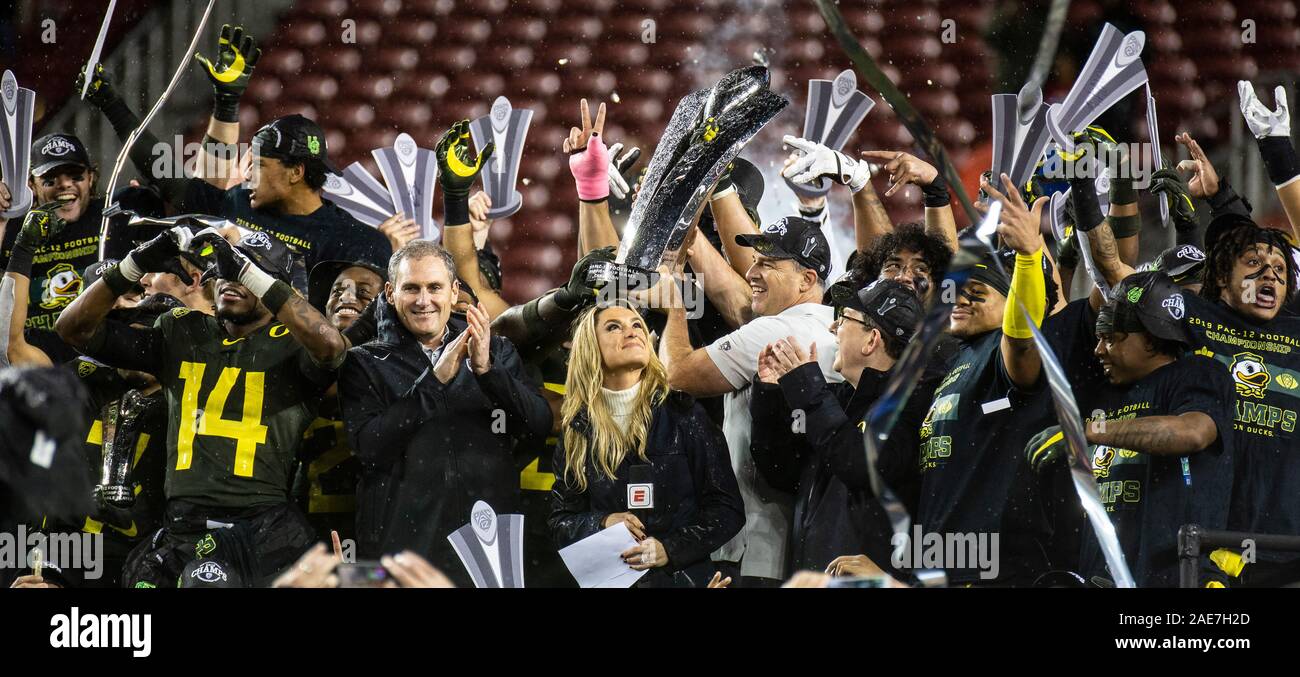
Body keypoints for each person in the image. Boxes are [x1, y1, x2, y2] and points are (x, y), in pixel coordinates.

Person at [53, 227, 348, 586]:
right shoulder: (182, 332)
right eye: (224, 267)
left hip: (263, 528)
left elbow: (331, 346)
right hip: (183, 525)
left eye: (246, 271)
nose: (230, 277)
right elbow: (72, 330)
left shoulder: (293, 345)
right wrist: (135, 264)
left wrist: (244, 270)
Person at [1080, 133, 1300, 587]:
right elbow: (1117, 276)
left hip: (1289, 545)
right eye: (1255, 267)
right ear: (1221, 277)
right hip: (1214, 546)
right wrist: (1087, 190)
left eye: (1280, 271)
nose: (1270, 278)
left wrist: (1247, 176)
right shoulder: (1192, 316)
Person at [337, 240, 551, 585]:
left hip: (490, 536)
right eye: (411, 288)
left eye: (434, 287)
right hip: (404, 542)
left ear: (453, 292)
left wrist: (488, 372)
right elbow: (370, 447)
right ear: (390, 293)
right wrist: (434, 382)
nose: (424, 301)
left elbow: (538, 424)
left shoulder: (495, 349)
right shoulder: (363, 362)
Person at [660, 215, 840, 585]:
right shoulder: (828, 326)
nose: (753, 272)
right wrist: (691, 245)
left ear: (807, 279)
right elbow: (737, 300)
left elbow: (676, 375)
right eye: (755, 261)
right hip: (800, 537)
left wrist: (673, 303)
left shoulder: (778, 331)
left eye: (768, 265)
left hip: (757, 544)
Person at [1027, 272, 1234, 587]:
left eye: (1111, 337)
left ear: (1150, 339)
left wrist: (1088, 431)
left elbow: (1193, 432)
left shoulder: (1199, 374)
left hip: (1173, 576)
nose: (1099, 350)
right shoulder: (1105, 393)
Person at [549, 301, 743, 587]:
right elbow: (560, 522)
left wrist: (669, 549)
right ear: (591, 347)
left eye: (637, 324)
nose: (632, 332)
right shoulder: (578, 430)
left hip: (682, 580)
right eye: (614, 327)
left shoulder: (685, 414)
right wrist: (602, 522)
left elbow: (727, 509)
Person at [748, 279, 929, 575]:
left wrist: (808, 388)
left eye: (843, 318)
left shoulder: (911, 404)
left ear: (872, 340)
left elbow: (860, 465)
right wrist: (769, 397)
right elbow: (782, 471)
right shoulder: (840, 399)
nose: (833, 328)